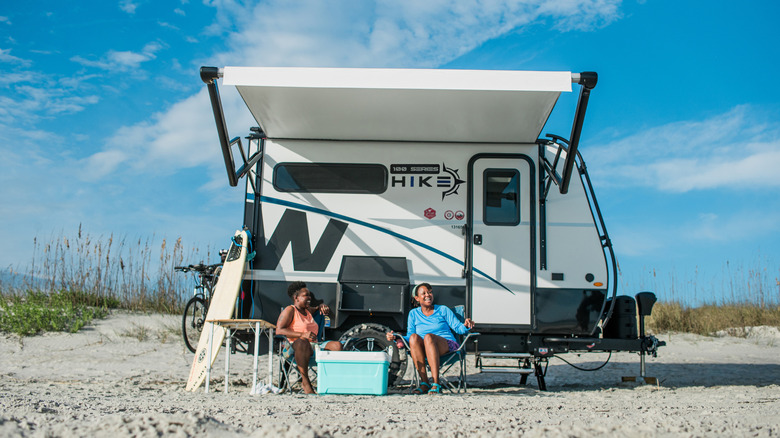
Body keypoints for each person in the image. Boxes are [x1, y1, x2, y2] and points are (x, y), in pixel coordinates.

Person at [386, 283, 475, 394]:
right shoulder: (413, 314)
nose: (428, 295)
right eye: (424, 293)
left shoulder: (443, 310)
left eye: (429, 292)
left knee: (428, 337)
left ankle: (436, 383)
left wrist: (466, 325)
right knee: (414, 337)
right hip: (424, 349)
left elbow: (458, 328)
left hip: (447, 346)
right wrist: (397, 337)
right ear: (417, 298)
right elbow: (410, 336)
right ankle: (424, 383)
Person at [276, 281, 342, 394]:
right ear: (296, 297)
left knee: (337, 345)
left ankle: (330, 381)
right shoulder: (290, 310)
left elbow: (317, 308)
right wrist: (301, 334)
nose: (309, 298)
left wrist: (321, 306)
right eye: (306, 295)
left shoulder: (308, 310)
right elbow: (279, 330)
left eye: (309, 295)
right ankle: (305, 381)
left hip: (315, 346)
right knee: (303, 342)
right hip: (294, 348)